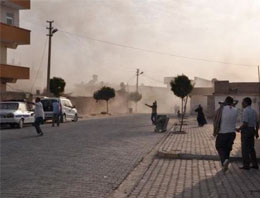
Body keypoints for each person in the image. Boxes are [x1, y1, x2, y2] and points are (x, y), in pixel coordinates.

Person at [214, 96, 238, 172]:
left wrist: (222, 105)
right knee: (227, 149)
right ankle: (225, 165)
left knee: (219, 146)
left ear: (225, 102)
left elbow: (216, 117)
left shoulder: (221, 109)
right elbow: (232, 106)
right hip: (232, 133)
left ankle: (224, 160)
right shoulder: (235, 110)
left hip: (223, 133)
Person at [236, 97, 259, 170]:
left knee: (245, 148)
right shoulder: (254, 111)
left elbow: (245, 123)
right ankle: (255, 164)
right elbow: (257, 122)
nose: (242, 103)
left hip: (246, 130)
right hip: (252, 130)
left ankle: (246, 165)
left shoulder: (245, 111)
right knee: (251, 148)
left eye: (243, 102)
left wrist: (239, 129)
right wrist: (256, 132)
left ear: (246, 103)